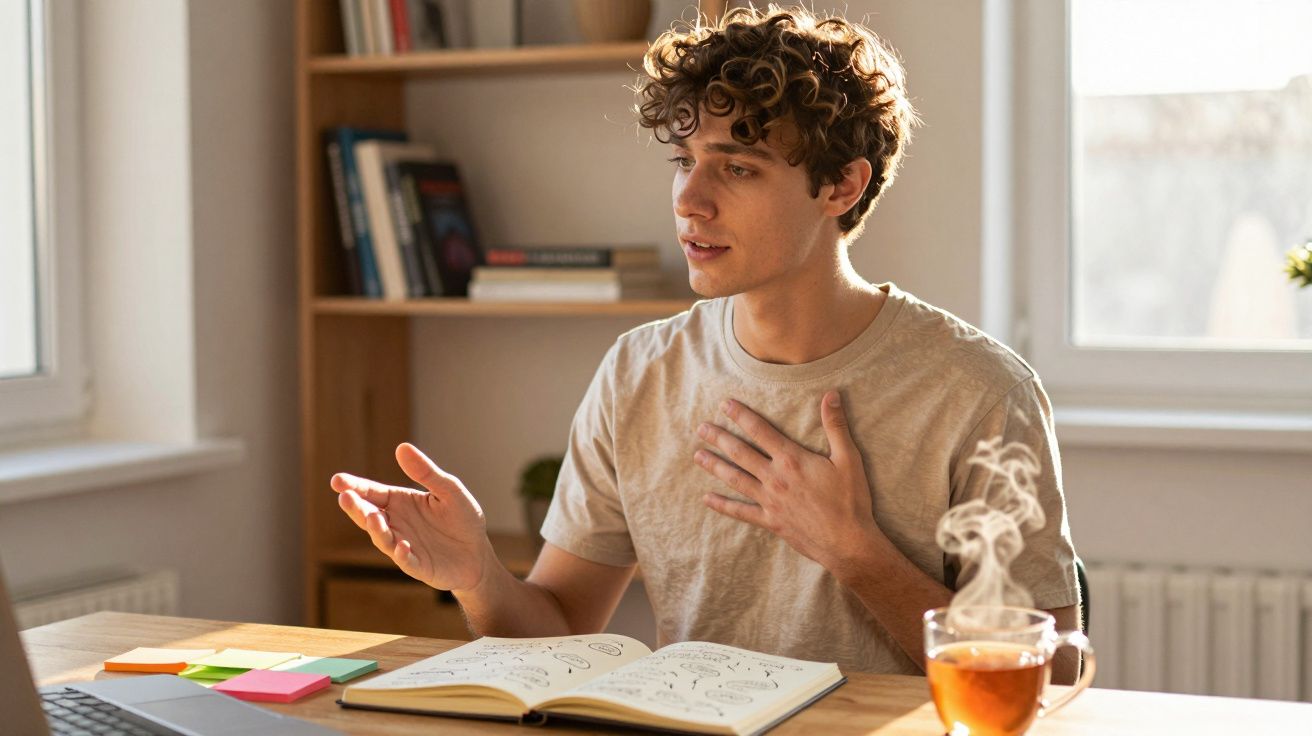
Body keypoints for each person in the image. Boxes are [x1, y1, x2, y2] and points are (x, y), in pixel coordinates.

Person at [331, 5, 1082, 683]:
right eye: (685, 162)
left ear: (840, 187)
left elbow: (1050, 683)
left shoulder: (979, 391)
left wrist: (858, 555)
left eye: (738, 167)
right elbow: (556, 631)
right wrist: (478, 577)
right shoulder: (639, 373)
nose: (690, 201)